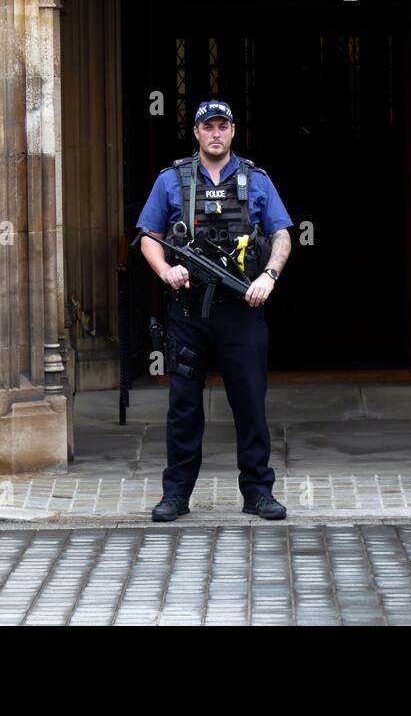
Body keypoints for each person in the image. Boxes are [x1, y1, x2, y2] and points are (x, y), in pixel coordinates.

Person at [137, 100, 293, 522]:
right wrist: (165, 270)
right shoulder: (171, 180)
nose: (216, 134)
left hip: (242, 310)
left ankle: (258, 493)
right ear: (197, 133)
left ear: (233, 132)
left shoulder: (256, 180)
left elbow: (281, 235)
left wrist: (270, 277)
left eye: (223, 127)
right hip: (188, 313)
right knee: (184, 407)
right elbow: (149, 235)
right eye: (209, 127)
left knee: (249, 405)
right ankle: (176, 495)